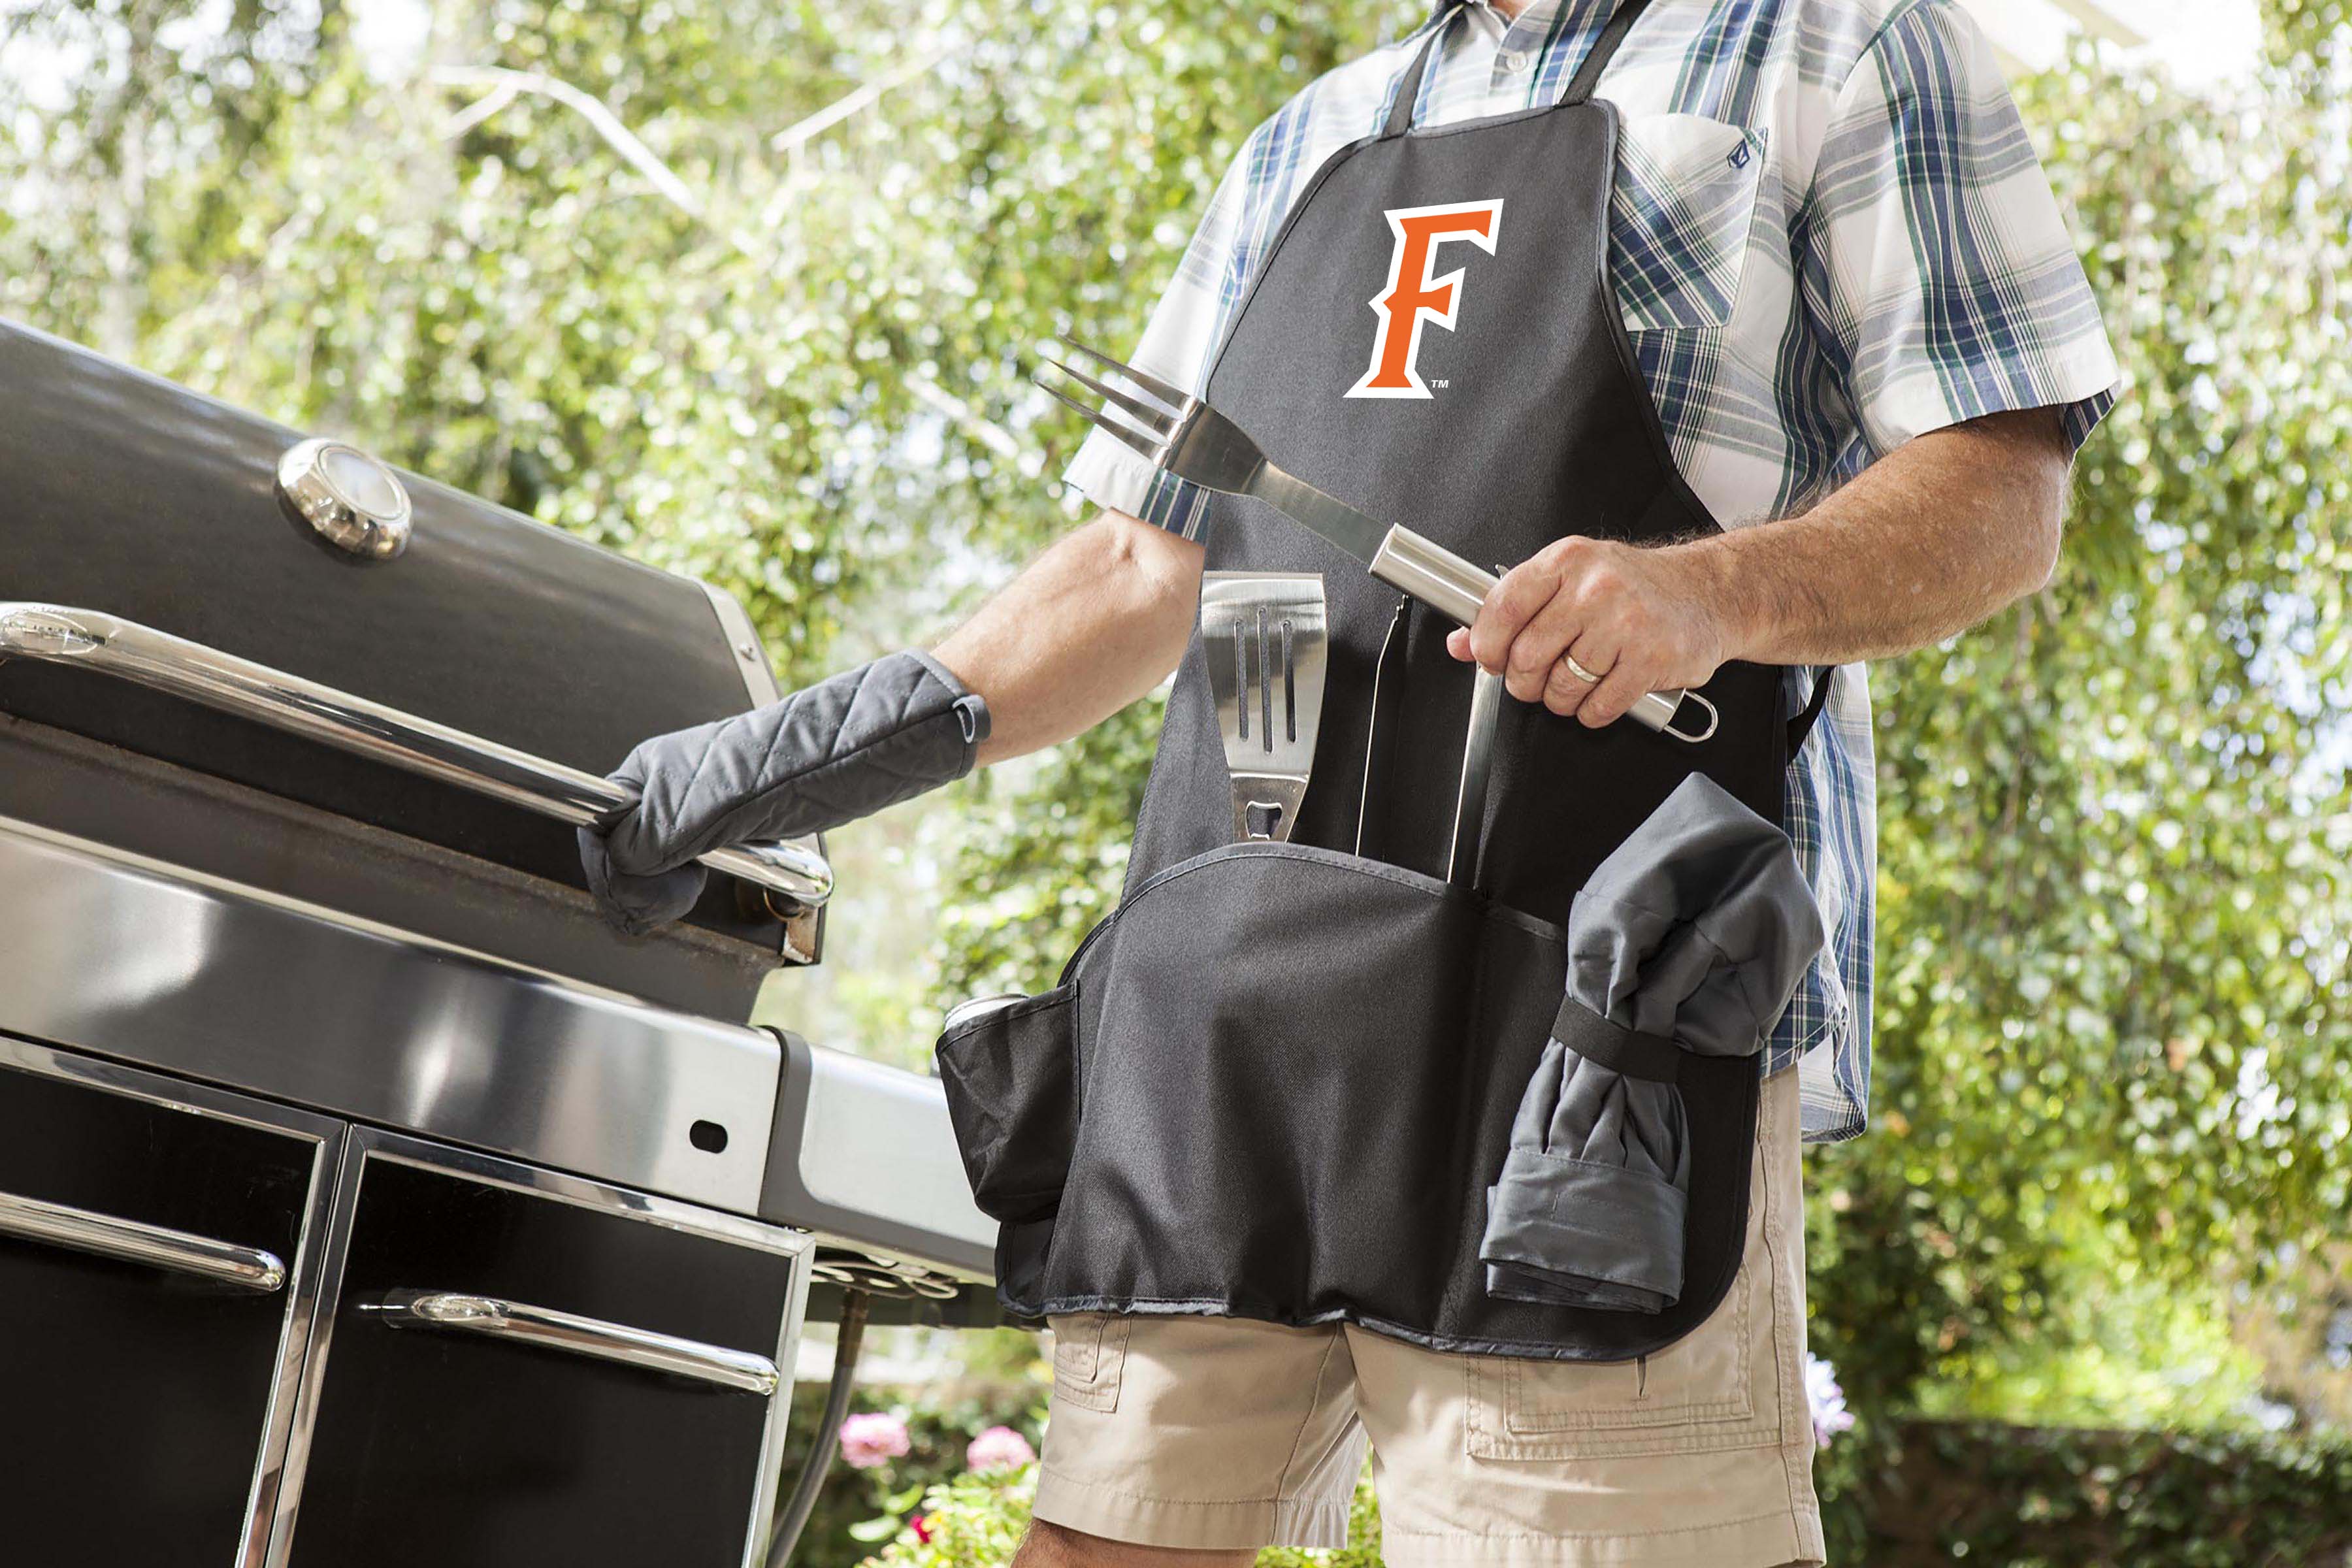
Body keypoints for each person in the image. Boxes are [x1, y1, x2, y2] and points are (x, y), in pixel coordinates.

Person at [580, 2, 2119, 1563]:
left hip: (1586, 1035)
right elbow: (1140, 563)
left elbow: (2003, 489)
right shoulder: (1318, 133)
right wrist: (794, 757)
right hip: (1222, 1025)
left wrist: (1709, 597)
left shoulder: (1835, 49)